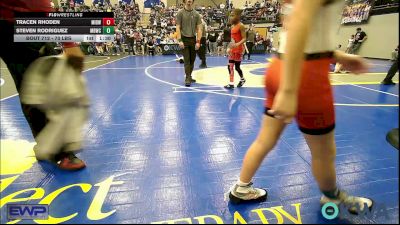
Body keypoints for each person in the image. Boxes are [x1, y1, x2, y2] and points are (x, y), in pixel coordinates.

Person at [226, 0, 373, 215]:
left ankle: (241, 187)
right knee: (324, 152)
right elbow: (301, 21)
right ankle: (331, 196)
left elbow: (303, 21)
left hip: (279, 66)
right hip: (306, 75)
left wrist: (337, 56)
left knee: (265, 138)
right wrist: (289, 90)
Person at [0, 0, 86, 170]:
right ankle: (57, 151)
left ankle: (47, 145)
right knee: (42, 85)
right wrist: (69, 43)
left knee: (35, 84)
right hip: (14, 23)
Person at [176, 0, 202, 87]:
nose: (189, 0)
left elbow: (199, 29)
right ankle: (187, 77)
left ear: (193, 1)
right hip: (184, 39)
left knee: (192, 60)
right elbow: (178, 27)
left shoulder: (196, 14)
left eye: (191, 0)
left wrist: (198, 41)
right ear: (184, 1)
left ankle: (189, 76)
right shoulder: (180, 13)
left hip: (193, 39)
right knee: (187, 60)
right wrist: (179, 40)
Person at [224, 9, 246, 90]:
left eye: (233, 15)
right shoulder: (232, 26)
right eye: (230, 15)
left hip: (238, 49)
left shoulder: (241, 26)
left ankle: (242, 79)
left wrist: (237, 44)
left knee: (237, 67)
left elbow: (244, 38)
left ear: (237, 16)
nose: (231, 17)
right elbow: (232, 39)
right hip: (233, 49)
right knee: (230, 66)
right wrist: (229, 47)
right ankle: (231, 83)